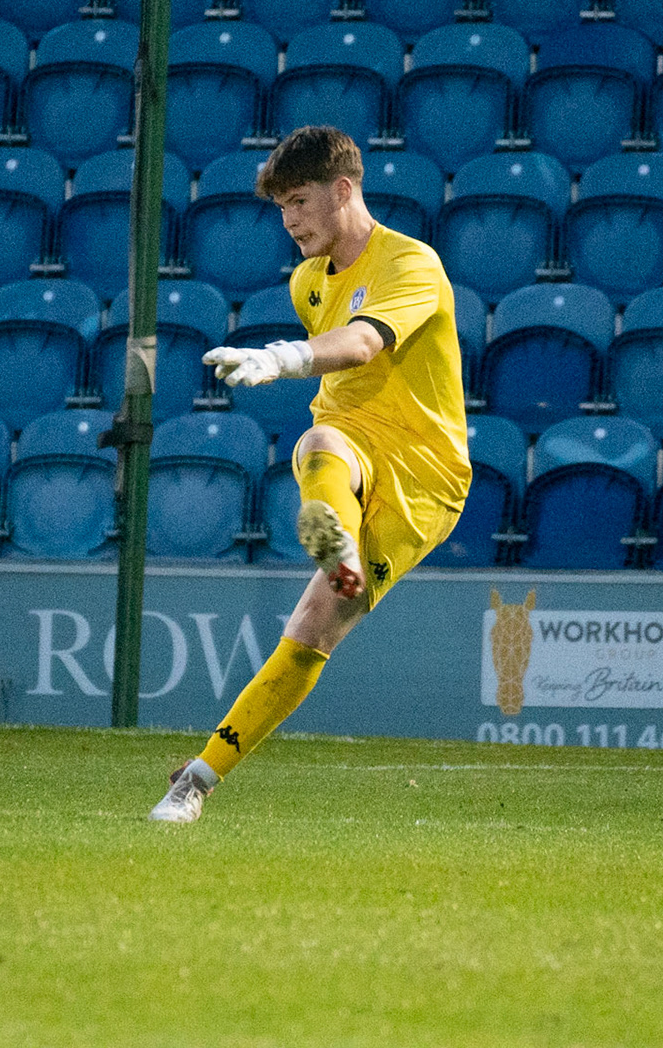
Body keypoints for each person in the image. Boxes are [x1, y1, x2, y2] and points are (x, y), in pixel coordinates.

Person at [150, 126, 470, 823]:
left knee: (316, 627)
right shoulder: (308, 281)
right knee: (319, 445)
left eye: (299, 202)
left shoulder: (411, 263)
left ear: (343, 190)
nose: (289, 221)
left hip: (424, 473)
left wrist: (285, 357)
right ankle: (194, 782)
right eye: (281, 208)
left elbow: (361, 343)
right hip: (348, 443)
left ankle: (341, 544)